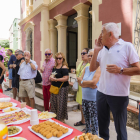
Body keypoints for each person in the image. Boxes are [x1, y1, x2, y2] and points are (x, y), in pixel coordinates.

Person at [90, 22, 140, 140]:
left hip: (119, 95)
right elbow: (92, 68)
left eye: (102, 32)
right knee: (102, 127)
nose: (100, 35)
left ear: (110, 34)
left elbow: (138, 69)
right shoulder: (101, 50)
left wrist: (120, 70)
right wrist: (96, 50)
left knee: (120, 129)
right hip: (101, 93)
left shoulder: (127, 46)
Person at [77, 49, 100, 134]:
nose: (90, 57)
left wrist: (83, 82)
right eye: (89, 55)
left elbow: (94, 82)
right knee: (87, 124)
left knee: (94, 123)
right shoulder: (86, 68)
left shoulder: (98, 68)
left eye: (92, 55)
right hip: (84, 99)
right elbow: (79, 81)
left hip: (93, 100)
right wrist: (88, 84)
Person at [50, 52, 69, 122]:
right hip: (54, 88)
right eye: (57, 58)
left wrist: (56, 79)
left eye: (60, 58)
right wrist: (51, 77)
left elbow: (66, 78)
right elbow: (53, 75)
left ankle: (61, 119)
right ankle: (55, 118)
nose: (58, 60)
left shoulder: (64, 67)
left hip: (62, 88)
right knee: (54, 103)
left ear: (63, 59)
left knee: (61, 104)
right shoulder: (55, 67)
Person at [74, 48, 90, 126]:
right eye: (81, 53)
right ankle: (83, 120)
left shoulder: (90, 64)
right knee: (81, 105)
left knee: (86, 105)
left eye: (84, 53)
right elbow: (78, 72)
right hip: (80, 87)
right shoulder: (81, 63)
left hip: (86, 87)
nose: (82, 55)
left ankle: (88, 123)